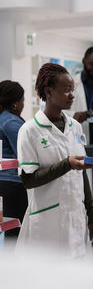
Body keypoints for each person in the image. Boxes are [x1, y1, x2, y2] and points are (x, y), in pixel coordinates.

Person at [17, 63, 93, 258]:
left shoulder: (76, 127)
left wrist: (92, 216)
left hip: (76, 219)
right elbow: (28, 180)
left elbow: (82, 173)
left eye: (73, 89)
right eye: (67, 90)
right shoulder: (30, 130)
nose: (72, 95)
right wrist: (67, 164)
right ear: (49, 91)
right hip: (48, 222)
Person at [0, 80, 28, 240]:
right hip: (12, 185)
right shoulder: (10, 122)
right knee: (16, 233)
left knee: (9, 230)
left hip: (4, 184)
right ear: (15, 103)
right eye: (22, 100)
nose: (23, 104)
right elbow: (25, 153)